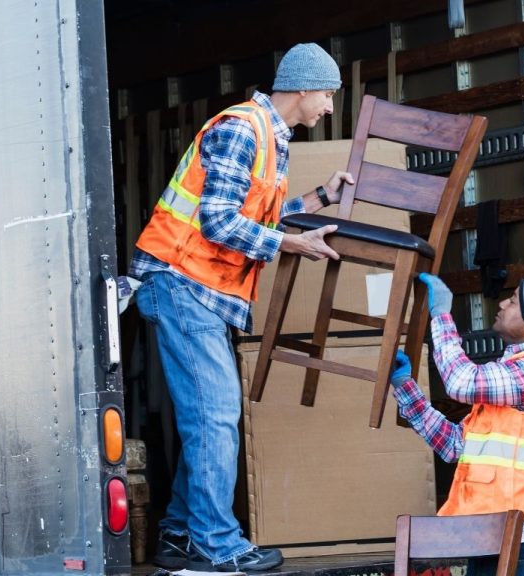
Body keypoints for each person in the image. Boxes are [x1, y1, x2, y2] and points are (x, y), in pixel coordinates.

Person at [131, 43, 349, 573]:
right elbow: (219, 223)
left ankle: (182, 534)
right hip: (182, 282)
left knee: (211, 416)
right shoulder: (241, 129)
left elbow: (256, 218)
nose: (328, 108)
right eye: (327, 94)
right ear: (301, 87)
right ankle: (216, 542)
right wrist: (294, 246)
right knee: (216, 416)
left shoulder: (273, 139)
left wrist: (319, 197)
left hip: (200, 289)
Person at [390, 273, 524, 576]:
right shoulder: (511, 377)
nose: (503, 303)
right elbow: (455, 446)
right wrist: (405, 387)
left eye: (515, 300)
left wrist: (441, 317)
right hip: (490, 540)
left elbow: (459, 381)